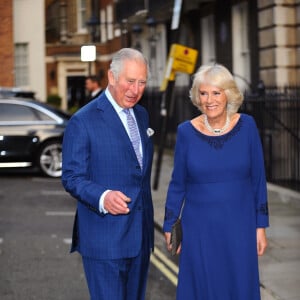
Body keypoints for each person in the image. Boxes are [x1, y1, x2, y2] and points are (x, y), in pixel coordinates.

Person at [163, 63, 269, 300]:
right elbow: (178, 183)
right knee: (203, 288)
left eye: (216, 92)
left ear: (228, 94)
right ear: (197, 97)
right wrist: (170, 223)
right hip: (199, 229)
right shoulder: (186, 132)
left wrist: (260, 226)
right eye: (203, 93)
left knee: (239, 287)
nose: (209, 100)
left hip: (239, 227)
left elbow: (258, 180)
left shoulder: (248, 127)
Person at [62, 48, 154, 300]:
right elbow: (71, 177)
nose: (136, 90)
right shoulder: (83, 121)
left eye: (142, 82)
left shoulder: (142, 115)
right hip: (105, 240)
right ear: (112, 78)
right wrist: (103, 196)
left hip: (140, 238)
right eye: (130, 81)